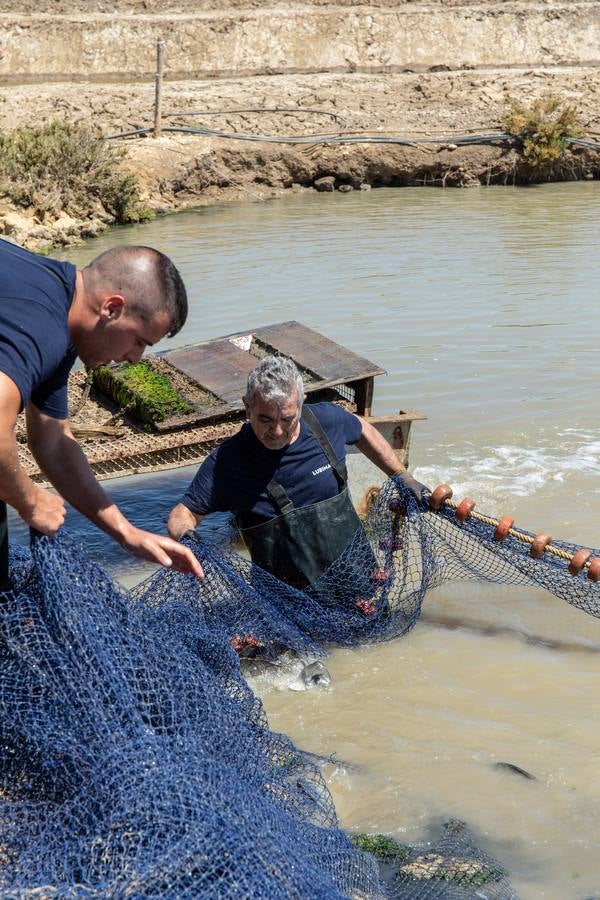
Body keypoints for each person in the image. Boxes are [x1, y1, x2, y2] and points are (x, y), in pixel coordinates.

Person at [0, 237, 203, 589]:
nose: (136, 358)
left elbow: (54, 442)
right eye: (140, 341)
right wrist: (30, 501)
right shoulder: (42, 324)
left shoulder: (58, 307)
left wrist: (126, 533)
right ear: (112, 308)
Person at [168, 354, 425, 589]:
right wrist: (187, 538)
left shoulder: (327, 422)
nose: (277, 431)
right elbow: (184, 513)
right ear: (247, 408)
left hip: (357, 581)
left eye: (287, 419)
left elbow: (363, 429)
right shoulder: (228, 461)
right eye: (265, 419)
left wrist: (401, 475)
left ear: (301, 404)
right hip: (286, 602)